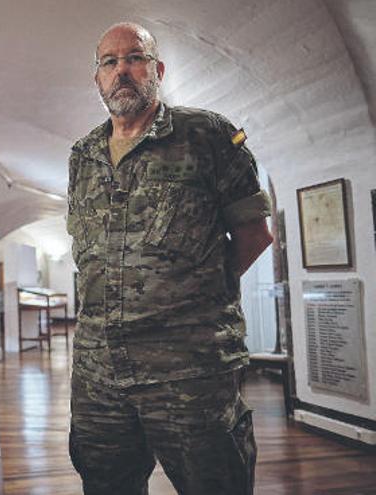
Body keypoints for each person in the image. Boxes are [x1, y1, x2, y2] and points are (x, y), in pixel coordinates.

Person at [66, 22, 273, 495]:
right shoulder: (83, 155)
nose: (122, 70)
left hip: (190, 372)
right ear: (97, 79)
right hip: (100, 376)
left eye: (134, 58)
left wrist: (193, 297)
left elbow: (254, 234)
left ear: (156, 70)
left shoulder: (208, 136)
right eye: (109, 62)